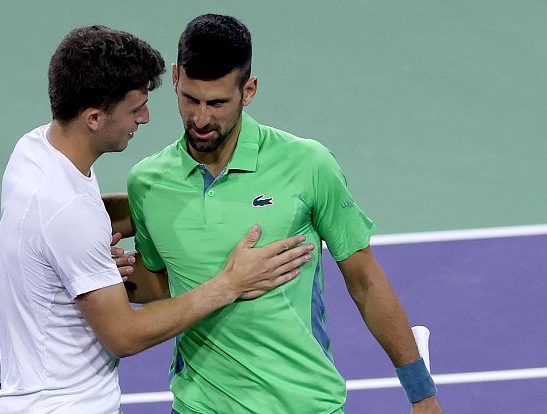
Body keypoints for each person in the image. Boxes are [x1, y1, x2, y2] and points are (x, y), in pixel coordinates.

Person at [125, 14, 443, 414]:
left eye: (218, 103)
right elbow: (162, 281)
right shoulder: (148, 183)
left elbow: (364, 280)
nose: (201, 119)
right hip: (198, 405)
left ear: (249, 90)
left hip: (303, 404)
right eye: (190, 99)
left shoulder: (308, 164)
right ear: (174, 78)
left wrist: (422, 395)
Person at [0, 25, 316, 414]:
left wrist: (145, 213)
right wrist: (230, 284)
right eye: (134, 108)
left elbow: (65, 223)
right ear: (94, 117)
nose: (144, 118)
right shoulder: (68, 213)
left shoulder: (34, 151)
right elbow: (123, 336)